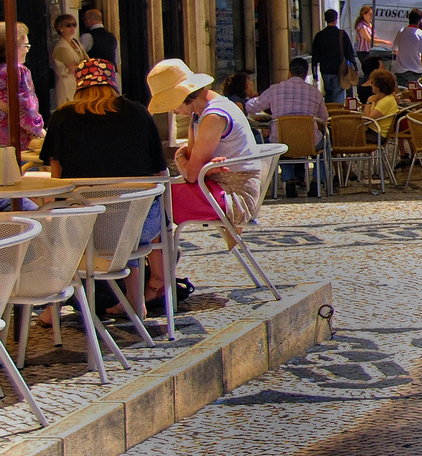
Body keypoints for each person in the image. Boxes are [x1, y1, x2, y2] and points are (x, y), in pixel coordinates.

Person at [42, 57, 175, 313]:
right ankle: (136, 300)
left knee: (62, 222)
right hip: (138, 226)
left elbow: (56, 177)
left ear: (78, 85)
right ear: (113, 82)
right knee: (126, 208)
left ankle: (52, 308)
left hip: (84, 227)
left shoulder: (62, 117)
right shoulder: (138, 112)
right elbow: (160, 170)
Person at [149, 59, 263, 229]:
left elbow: (192, 174)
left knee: (154, 200)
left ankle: (161, 254)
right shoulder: (199, 114)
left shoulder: (213, 116)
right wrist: (188, 159)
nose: (173, 110)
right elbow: (191, 160)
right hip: (216, 189)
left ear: (182, 95)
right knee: (155, 198)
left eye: (171, 103)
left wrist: (178, 157)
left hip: (234, 198)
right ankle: (163, 254)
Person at [244, 58, 328, 198]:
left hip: (282, 141)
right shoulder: (315, 92)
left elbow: (252, 107)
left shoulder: (275, 89)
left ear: (289, 72)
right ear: (305, 73)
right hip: (309, 142)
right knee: (325, 143)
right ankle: (317, 180)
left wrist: (252, 97)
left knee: (278, 145)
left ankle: (288, 180)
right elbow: (324, 118)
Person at [0, 22, 45, 148]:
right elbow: (25, 106)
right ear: (13, 46)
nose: (27, 49)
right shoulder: (17, 70)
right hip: (14, 137)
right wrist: (39, 129)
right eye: (26, 45)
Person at [312, 9, 358, 103]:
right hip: (338, 70)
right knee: (338, 96)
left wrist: (315, 74)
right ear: (336, 19)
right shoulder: (341, 34)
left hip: (325, 70)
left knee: (328, 94)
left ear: (325, 19)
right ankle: (336, 115)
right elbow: (349, 52)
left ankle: (329, 113)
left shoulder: (319, 36)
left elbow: (315, 56)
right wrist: (355, 66)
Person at [50, 14, 87, 111]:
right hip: (67, 89)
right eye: (68, 25)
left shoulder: (76, 42)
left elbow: (87, 60)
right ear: (60, 28)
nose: (72, 27)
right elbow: (74, 68)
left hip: (78, 88)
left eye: (74, 24)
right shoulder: (62, 47)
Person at [82, 8, 118, 87]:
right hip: (112, 75)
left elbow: (80, 58)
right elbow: (117, 61)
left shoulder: (87, 37)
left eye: (85, 19)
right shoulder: (112, 37)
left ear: (90, 20)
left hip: (94, 77)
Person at [362, 69, 401, 139]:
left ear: (378, 85)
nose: (371, 84)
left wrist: (369, 102)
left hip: (376, 134)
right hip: (372, 131)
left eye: (372, 82)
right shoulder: (380, 98)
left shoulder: (386, 101)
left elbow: (367, 119)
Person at [394, 9, 422, 86]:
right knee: (416, 95)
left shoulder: (401, 32)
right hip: (416, 71)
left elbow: (395, 49)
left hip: (401, 70)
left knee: (403, 94)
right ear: (420, 20)